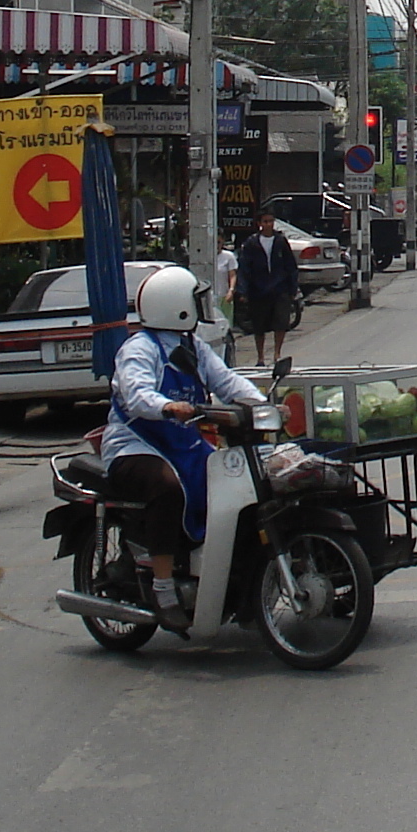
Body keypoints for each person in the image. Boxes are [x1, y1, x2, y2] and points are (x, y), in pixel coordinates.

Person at [102, 264, 267, 625]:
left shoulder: (193, 347)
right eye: (195, 300)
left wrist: (264, 406)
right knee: (168, 488)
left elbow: (227, 382)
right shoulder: (138, 349)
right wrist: (166, 406)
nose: (201, 306)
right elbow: (136, 395)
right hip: (134, 447)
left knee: (237, 487)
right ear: (178, 306)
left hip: (183, 445)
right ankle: (163, 589)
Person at [233, 211, 299, 365]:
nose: (268, 224)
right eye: (265, 221)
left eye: (271, 221)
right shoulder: (251, 243)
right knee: (259, 325)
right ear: (259, 223)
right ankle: (261, 356)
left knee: (281, 322)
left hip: (279, 287)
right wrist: (242, 290)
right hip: (258, 289)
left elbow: (291, 266)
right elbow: (244, 268)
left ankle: (277, 353)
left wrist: (293, 288)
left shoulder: (280, 241)